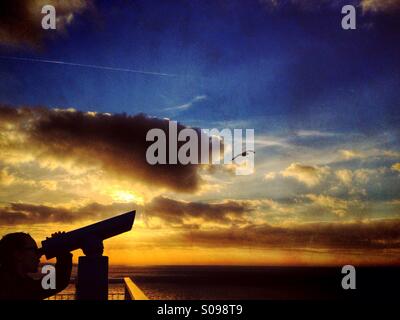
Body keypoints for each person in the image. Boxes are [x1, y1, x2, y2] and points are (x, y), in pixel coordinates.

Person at [0, 232, 72, 300]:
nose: (39, 255)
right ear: (18, 254)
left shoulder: (16, 283)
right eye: (34, 250)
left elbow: (56, 282)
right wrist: (63, 252)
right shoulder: (14, 288)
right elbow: (57, 282)